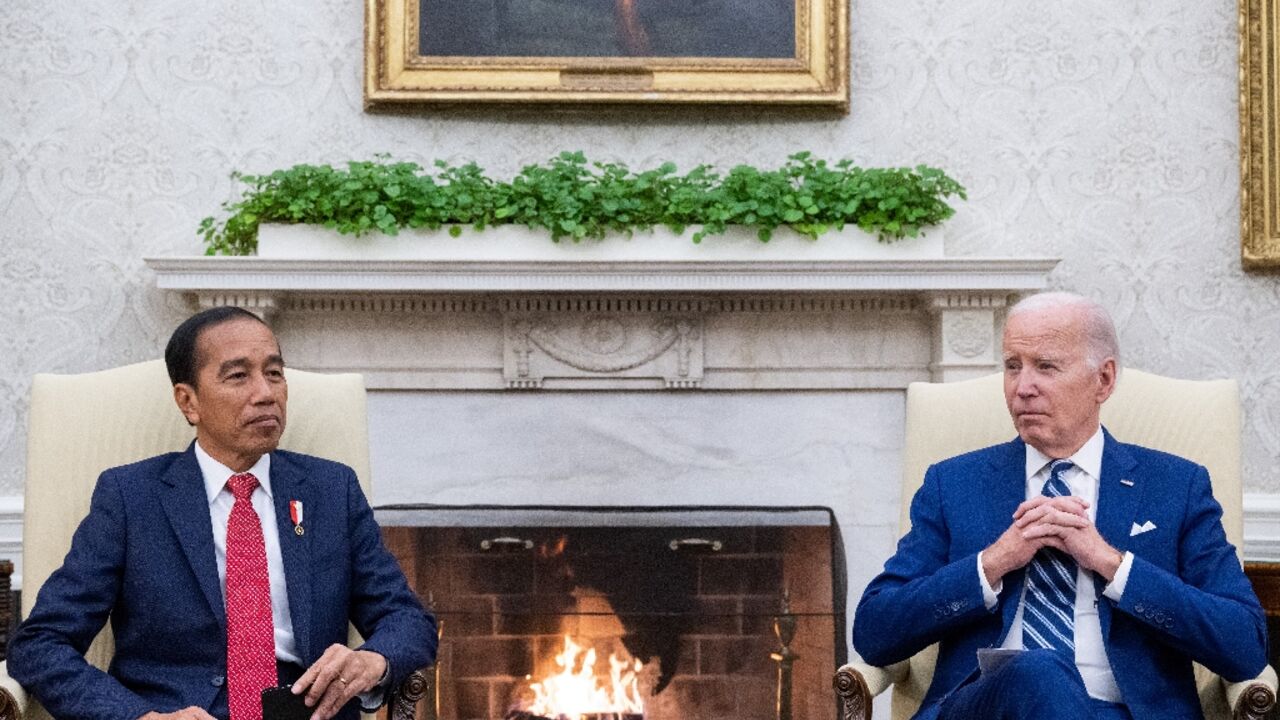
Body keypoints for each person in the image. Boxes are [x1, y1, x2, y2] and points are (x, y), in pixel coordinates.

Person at [852, 292, 1267, 720]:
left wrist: (1111, 564)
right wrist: (991, 564)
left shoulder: (1175, 487)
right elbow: (874, 632)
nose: (1022, 387)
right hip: (986, 708)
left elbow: (1245, 645)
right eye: (1013, 366)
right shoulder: (954, 483)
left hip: (1125, 712)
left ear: (1103, 381)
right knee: (1037, 670)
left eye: (1046, 367)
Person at [8, 306, 437, 720]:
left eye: (274, 373)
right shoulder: (131, 497)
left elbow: (407, 619)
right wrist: (140, 716)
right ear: (188, 402)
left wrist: (374, 661)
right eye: (238, 376)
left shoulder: (330, 490)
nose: (266, 393)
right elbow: (41, 644)